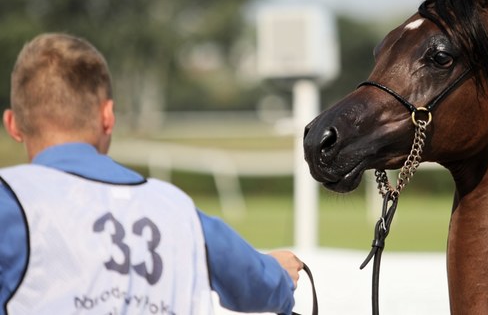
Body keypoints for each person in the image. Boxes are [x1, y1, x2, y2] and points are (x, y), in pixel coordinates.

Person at [0, 33, 304, 315]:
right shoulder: (177, 208)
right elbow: (252, 281)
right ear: (108, 117)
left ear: (13, 125)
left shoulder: (10, 199)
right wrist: (277, 273)